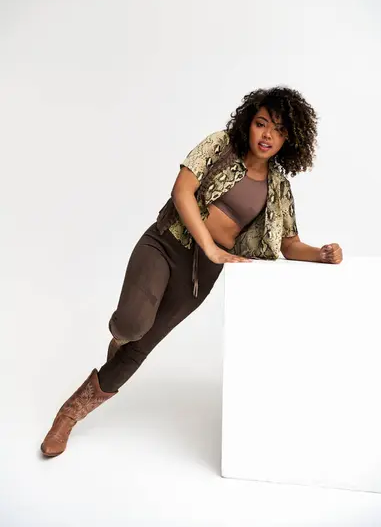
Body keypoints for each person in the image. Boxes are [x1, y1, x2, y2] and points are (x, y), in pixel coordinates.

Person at [40, 86, 343, 457]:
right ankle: (120, 338)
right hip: (164, 243)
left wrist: (320, 254)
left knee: (142, 346)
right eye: (262, 124)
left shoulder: (277, 186)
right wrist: (212, 247)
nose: (267, 135)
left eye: (278, 130)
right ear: (249, 122)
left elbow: (288, 243)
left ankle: (68, 416)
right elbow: (182, 191)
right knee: (130, 326)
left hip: (200, 275)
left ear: (289, 139)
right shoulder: (219, 145)